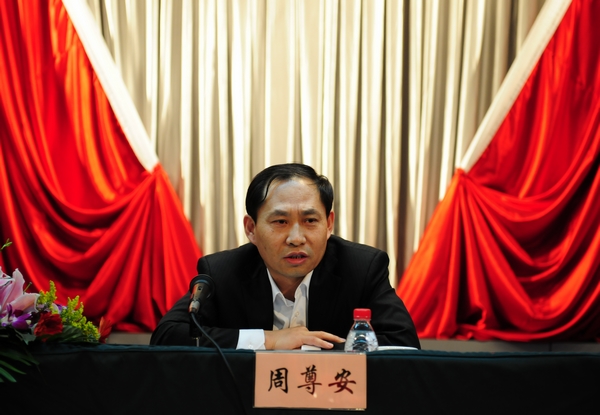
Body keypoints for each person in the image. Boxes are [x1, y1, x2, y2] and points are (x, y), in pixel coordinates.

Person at [150, 163, 420, 350]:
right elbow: (167, 336)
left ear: (329, 224)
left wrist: (310, 350)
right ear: (251, 229)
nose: (296, 238)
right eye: (280, 222)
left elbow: (405, 343)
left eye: (310, 220)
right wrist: (270, 340)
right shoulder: (222, 271)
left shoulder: (361, 268)